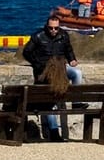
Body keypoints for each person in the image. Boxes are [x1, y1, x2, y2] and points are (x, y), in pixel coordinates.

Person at [21, 11, 84, 141]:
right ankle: (54, 132)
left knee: (77, 73)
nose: (53, 30)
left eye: (56, 28)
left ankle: (76, 102)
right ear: (46, 26)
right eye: (51, 28)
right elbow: (27, 52)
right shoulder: (38, 36)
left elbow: (68, 49)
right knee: (49, 103)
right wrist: (37, 64)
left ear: (59, 27)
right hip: (44, 72)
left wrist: (72, 59)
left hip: (60, 68)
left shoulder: (63, 35)